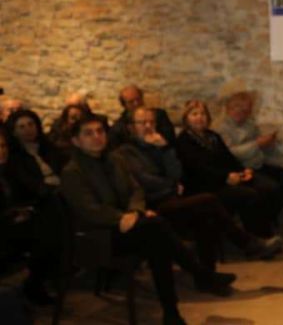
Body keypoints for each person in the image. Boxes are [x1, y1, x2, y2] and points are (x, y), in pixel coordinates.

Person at [61, 114, 236, 325]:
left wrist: (135, 212)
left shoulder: (115, 159)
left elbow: (136, 190)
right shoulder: (72, 171)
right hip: (100, 235)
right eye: (88, 133)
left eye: (100, 131)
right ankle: (199, 277)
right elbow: (89, 210)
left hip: (130, 224)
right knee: (157, 229)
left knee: (157, 241)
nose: (97, 136)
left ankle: (172, 312)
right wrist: (122, 217)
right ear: (76, 141)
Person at [119, 107, 279, 264]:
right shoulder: (127, 151)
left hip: (175, 195)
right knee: (209, 200)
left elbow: (176, 172)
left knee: (210, 211)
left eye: (152, 122)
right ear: (131, 127)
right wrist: (172, 184)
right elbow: (145, 179)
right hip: (155, 201)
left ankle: (215, 266)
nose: (148, 126)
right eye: (142, 123)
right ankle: (250, 245)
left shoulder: (162, 145)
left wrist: (165, 149)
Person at [175, 100, 282, 247]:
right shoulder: (184, 141)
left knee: (266, 187)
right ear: (186, 118)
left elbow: (228, 158)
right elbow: (198, 169)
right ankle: (257, 240)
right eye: (194, 114)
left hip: (224, 178)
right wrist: (225, 177)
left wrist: (242, 170)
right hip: (204, 185)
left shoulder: (212, 136)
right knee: (248, 194)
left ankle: (265, 233)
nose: (199, 117)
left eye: (203, 114)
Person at [217, 91, 283, 229]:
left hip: (256, 164)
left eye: (247, 109)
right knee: (269, 188)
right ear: (229, 108)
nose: (244, 112)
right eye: (239, 108)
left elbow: (257, 143)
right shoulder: (222, 128)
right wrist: (257, 144)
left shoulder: (249, 124)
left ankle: (269, 216)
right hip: (241, 168)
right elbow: (230, 153)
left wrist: (267, 141)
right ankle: (260, 224)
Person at [0, 128, 61, 306]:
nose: (1, 151)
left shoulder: (7, 172)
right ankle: (32, 286)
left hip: (11, 224)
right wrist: (11, 217)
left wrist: (22, 211)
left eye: (3, 146)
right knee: (43, 235)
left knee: (49, 222)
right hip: (4, 230)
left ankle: (36, 283)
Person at [5, 109, 65, 180]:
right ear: (14, 132)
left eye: (31, 124)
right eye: (22, 127)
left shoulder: (48, 147)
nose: (28, 129)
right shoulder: (14, 158)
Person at [109, 85, 175, 148]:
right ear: (124, 105)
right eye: (131, 102)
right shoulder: (118, 128)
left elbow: (171, 139)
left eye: (138, 99)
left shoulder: (159, 115)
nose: (136, 103)